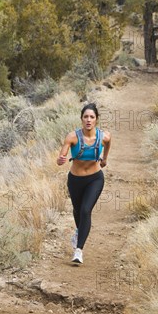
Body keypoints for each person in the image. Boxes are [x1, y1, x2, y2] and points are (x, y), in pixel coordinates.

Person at [56, 103, 111, 264]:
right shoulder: (72, 137)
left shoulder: (104, 136)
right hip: (75, 180)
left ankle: (78, 250)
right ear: (81, 119)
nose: (88, 120)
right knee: (77, 211)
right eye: (85, 117)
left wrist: (105, 159)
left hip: (95, 178)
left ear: (96, 120)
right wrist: (61, 159)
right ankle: (79, 231)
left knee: (86, 210)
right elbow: (62, 157)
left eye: (92, 117)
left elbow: (108, 144)